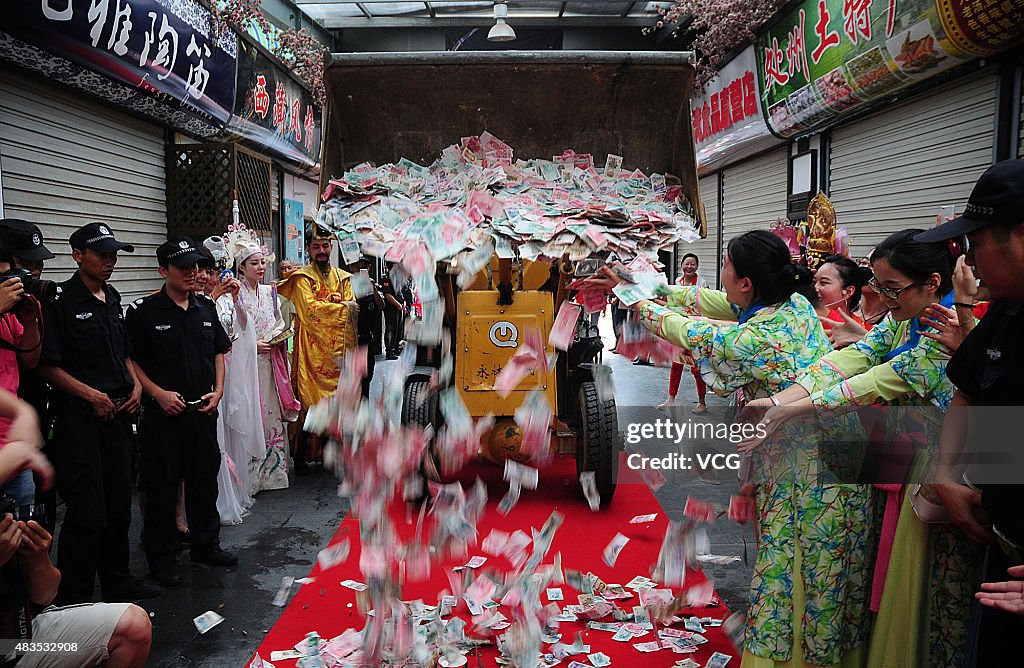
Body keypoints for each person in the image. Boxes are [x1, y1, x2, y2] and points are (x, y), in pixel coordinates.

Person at [585, 230, 873, 667]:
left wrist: (635, 302)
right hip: (803, 452)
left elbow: (692, 331)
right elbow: (694, 301)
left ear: (746, 284)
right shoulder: (789, 304)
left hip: (812, 466)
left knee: (801, 567)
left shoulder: (758, 335)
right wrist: (626, 280)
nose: (720, 272)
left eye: (725, 264)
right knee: (799, 564)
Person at [741, 228, 978, 668]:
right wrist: (780, 400)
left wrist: (790, 409)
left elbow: (874, 382)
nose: (885, 300)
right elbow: (857, 356)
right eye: (881, 288)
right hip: (907, 456)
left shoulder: (946, 329)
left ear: (932, 283)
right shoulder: (909, 318)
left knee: (936, 586)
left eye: (893, 289)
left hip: (943, 463)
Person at [914, 158, 1024, 665]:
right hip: (1003, 551)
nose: (971, 260)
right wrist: (948, 476)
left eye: (976, 243)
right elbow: (973, 391)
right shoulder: (1008, 306)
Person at [34, 224, 158, 605]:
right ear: (77, 255)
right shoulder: (61, 301)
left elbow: (122, 351)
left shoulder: (112, 296)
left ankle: (118, 580)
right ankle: (76, 594)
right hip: (79, 419)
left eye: (114, 254)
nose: (110, 261)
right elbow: (46, 365)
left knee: (120, 504)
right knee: (88, 511)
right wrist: (92, 396)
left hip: (119, 416)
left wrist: (135, 386)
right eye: (102, 254)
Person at [127, 236, 236, 587]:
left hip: (202, 412)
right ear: (163, 270)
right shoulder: (144, 312)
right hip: (163, 417)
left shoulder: (205, 308)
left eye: (195, 267)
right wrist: (156, 394)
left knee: (205, 480)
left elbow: (219, 351)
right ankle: (163, 556)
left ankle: (207, 544)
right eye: (183, 268)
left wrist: (218, 392)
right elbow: (132, 360)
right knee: (162, 487)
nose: (192, 273)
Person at [276, 225, 357, 472]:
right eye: (316, 247)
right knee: (308, 402)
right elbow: (310, 312)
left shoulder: (344, 278)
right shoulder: (302, 279)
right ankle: (302, 456)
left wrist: (343, 305)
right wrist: (341, 305)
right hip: (310, 353)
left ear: (331, 248)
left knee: (337, 404)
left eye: (325, 246)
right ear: (308, 250)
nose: (321, 251)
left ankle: (332, 455)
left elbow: (353, 307)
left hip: (337, 354)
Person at [229, 229, 292, 493]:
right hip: (246, 364)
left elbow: (279, 322)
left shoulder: (271, 293)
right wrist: (252, 344)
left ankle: (273, 474)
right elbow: (230, 329)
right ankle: (250, 477)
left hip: (269, 364)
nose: (260, 267)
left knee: (270, 415)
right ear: (241, 267)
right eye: (253, 263)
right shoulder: (235, 293)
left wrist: (279, 338)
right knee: (250, 413)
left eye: (262, 262)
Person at [0, 220, 53, 526]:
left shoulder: (11, 314)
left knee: (24, 532)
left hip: (13, 442)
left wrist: (31, 319)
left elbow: (29, 361)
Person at [659, 253, 709, 413]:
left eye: (693, 264)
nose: (689, 267)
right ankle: (671, 398)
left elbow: (704, 305)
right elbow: (672, 304)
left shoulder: (702, 283)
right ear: (682, 265)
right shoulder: (676, 283)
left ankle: (702, 402)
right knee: (676, 365)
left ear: (697, 267)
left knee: (696, 368)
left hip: (695, 329)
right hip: (679, 328)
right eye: (687, 264)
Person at [347, 256, 386, 397]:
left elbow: (382, 306)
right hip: (349, 339)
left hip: (366, 339)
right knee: (351, 378)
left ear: (368, 268)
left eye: (362, 266)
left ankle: (364, 406)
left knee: (366, 376)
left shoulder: (372, 286)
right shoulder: (345, 284)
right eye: (355, 266)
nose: (358, 269)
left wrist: (373, 288)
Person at [380, 265, 406, 360]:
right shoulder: (387, 278)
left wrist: (402, 304)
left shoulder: (398, 278)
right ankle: (389, 351)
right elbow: (387, 294)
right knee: (391, 329)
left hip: (399, 307)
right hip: (391, 308)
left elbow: (401, 292)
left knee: (398, 329)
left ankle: (395, 348)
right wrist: (397, 304)